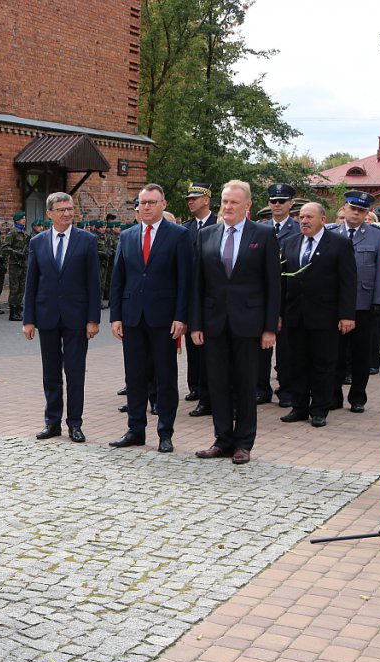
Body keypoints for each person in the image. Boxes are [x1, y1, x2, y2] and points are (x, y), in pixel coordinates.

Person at [190, 180, 280, 464]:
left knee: (244, 384)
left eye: (233, 202)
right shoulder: (207, 235)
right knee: (216, 383)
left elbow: (273, 285)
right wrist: (196, 324)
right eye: (225, 201)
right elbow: (198, 285)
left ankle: (243, 442)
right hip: (214, 322)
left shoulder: (263, 235)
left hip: (249, 323)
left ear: (247, 206)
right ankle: (222, 439)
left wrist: (268, 328)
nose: (227, 207)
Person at [108, 183, 193, 454]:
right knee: (134, 376)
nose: (146, 207)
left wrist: (182, 316)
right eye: (143, 203)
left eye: (152, 202)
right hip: (133, 317)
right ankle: (135, 430)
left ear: (163, 204)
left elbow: (185, 281)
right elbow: (118, 278)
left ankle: (165, 432)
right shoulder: (127, 235)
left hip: (164, 319)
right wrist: (116, 316)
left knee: (165, 376)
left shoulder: (178, 235)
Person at [22, 192, 101, 443]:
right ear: (49, 214)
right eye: (61, 209)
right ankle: (52, 422)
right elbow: (32, 282)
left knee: (75, 373)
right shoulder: (38, 242)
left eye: (70, 209)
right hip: (47, 317)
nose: (67, 213)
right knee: (51, 373)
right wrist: (28, 319)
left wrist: (93, 319)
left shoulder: (87, 240)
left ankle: (75, 424)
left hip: (77, 318)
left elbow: (94, 283)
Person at [279, 202, 356, 428]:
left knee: (323, 363)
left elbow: (348, 281)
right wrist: (279, 313)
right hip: (295, 315)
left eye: (309, 217)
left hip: (325, 316)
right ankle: (299, 406)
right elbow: (283, 281)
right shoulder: (290, 242)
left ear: (323, 219)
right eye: (301, 217)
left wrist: (347, 315)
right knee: (297, 363)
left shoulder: (340, 244)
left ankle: (320, 409)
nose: (304, 221)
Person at [328, 191, 380, 413]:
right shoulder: (330, 232)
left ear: (367, 213)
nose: (356, 213)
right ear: (344, 209)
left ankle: (357, 397)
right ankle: (333, 396)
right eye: (353, 208)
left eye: (361, 210)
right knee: (334, 352)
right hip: (334, 303)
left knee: (360, 354)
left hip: (364, 304)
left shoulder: (377, 235)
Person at [259, 183, 301, 406]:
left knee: (286, 350)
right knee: (261, 349)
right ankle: (261, 389)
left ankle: (286, 391)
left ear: (290, 204)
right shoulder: (259, 228)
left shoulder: (298, 229)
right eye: (273, 201)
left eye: (282, 201)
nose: (277, 205)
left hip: (288, 296)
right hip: (262, 296)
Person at [181, 182, 217, 416]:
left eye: (194, 198)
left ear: (206, 200)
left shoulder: (219, 224)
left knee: (210, 350)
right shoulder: (186, 228)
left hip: (213, 296)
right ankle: (196, 387)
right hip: (191, 295)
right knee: (193, 347)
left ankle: (209, 395)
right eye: (188, 199)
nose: (190, 202)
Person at [6, 211, 30, 321]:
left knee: (21, 287)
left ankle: (18, 309)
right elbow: (5, 247)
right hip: (15, 264)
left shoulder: (25, 234)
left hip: (23, 264)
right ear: (17, 221)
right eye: (22, 218)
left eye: (24, 218)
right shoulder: (13, 233)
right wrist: (16, 253)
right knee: (14, 288)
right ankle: (12, 311)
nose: (24, 220)